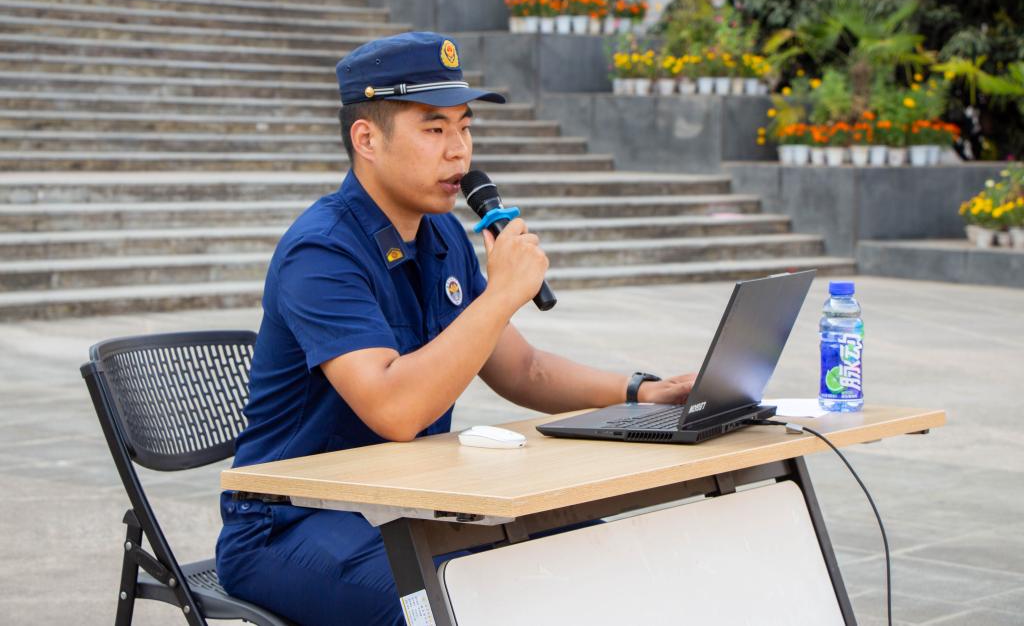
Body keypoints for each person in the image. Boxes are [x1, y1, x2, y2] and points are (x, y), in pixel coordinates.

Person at [216, 32, 696, 625]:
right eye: (434, 128)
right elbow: (395, 411)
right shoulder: (321, 252)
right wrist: (501, 294)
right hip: (291, 521)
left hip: (406, 502)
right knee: (452, 604)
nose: (459, 152)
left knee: (593, 554)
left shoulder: (441, 233)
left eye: (465, 127)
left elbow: (523, 368)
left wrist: (641, 393)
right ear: (366, 139)